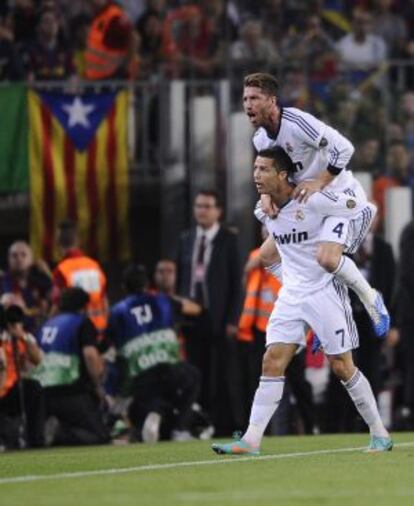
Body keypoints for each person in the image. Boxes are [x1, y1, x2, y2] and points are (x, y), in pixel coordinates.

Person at [212, 147, 393, 455]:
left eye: (264, 169)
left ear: (283, 174)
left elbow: (367, 209)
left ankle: (379, 432)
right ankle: (251, 439)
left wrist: (346, 236)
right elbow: (271, 253)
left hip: (325, 293)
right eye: (255, 168)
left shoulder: (315, 201)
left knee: (342, 367)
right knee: (272, 361)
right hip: (292, 296)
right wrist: (292, 282)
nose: (256, 175)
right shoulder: (263, 209)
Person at [242, 72, 390, 339]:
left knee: (327, 258)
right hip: (303, 203)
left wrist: (319, 182)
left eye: (254, 98)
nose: (247, 105)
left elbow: (345, 149)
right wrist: (265, 196)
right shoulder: (260, 140)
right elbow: (270, 172)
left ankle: (371, 298)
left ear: (272, 100)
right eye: (245, 99)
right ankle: (310, 305)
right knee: (266, 254)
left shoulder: (298, 123)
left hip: (334, 197)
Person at [107, 264, 200, 442]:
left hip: (140, 376)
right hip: (169, 368)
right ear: (147, 284)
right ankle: (180, 428)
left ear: (124, 287)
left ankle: (153, 414)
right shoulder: (163, 300)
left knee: (147, 399)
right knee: (192, 377)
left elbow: (108, 344)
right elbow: (194, 309)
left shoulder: (117, 311)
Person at [176, 189, 243, 435]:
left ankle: (223, 422)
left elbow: (237, 284)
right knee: (194, 371)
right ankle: (197, 420)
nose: (201, 211)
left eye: (207, 206)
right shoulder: (187, 238)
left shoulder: (229, 240)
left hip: (219, 317)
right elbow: (182, 278)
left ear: (218, 211)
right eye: (198, 206)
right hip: (192, 317)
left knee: (220, 372)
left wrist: (233, 319)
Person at [32, 287, 109, 446]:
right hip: (72, 390)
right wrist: (97, 385)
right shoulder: (81, 322)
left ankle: (56, 431)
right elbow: (90, 355)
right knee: (99, 436)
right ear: (84, 306)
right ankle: (60, 433)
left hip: (43, 393)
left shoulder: (45, 326)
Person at [52, 220, 108, 340]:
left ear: (57, 242)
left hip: (76, 333)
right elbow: (104, 301)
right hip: (100, 331)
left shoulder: (61, 270)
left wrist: (47, 326)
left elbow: (57, 306)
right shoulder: (94, 266)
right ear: (78, 241)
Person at [0, 304, 44, 449]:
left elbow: (37, 359)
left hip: (12, 388)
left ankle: (35, 441)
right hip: (2, 387)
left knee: (34, 388)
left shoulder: (23, 337)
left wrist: (23, 337)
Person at [0, 241, 52, 334]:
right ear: (8, 259)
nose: (19, 259)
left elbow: (52, 306)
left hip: (38, 333)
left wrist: (48, 273)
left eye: (23, 255)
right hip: (8, 336)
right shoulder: (2, 281)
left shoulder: (42, 281)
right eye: (14, 256)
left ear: (31, 259)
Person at [84, 0, 140, 80]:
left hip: (111, 77)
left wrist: (126, 64)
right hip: (96, 78)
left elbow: (134, 38)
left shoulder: (114, 16)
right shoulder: (99, 15)